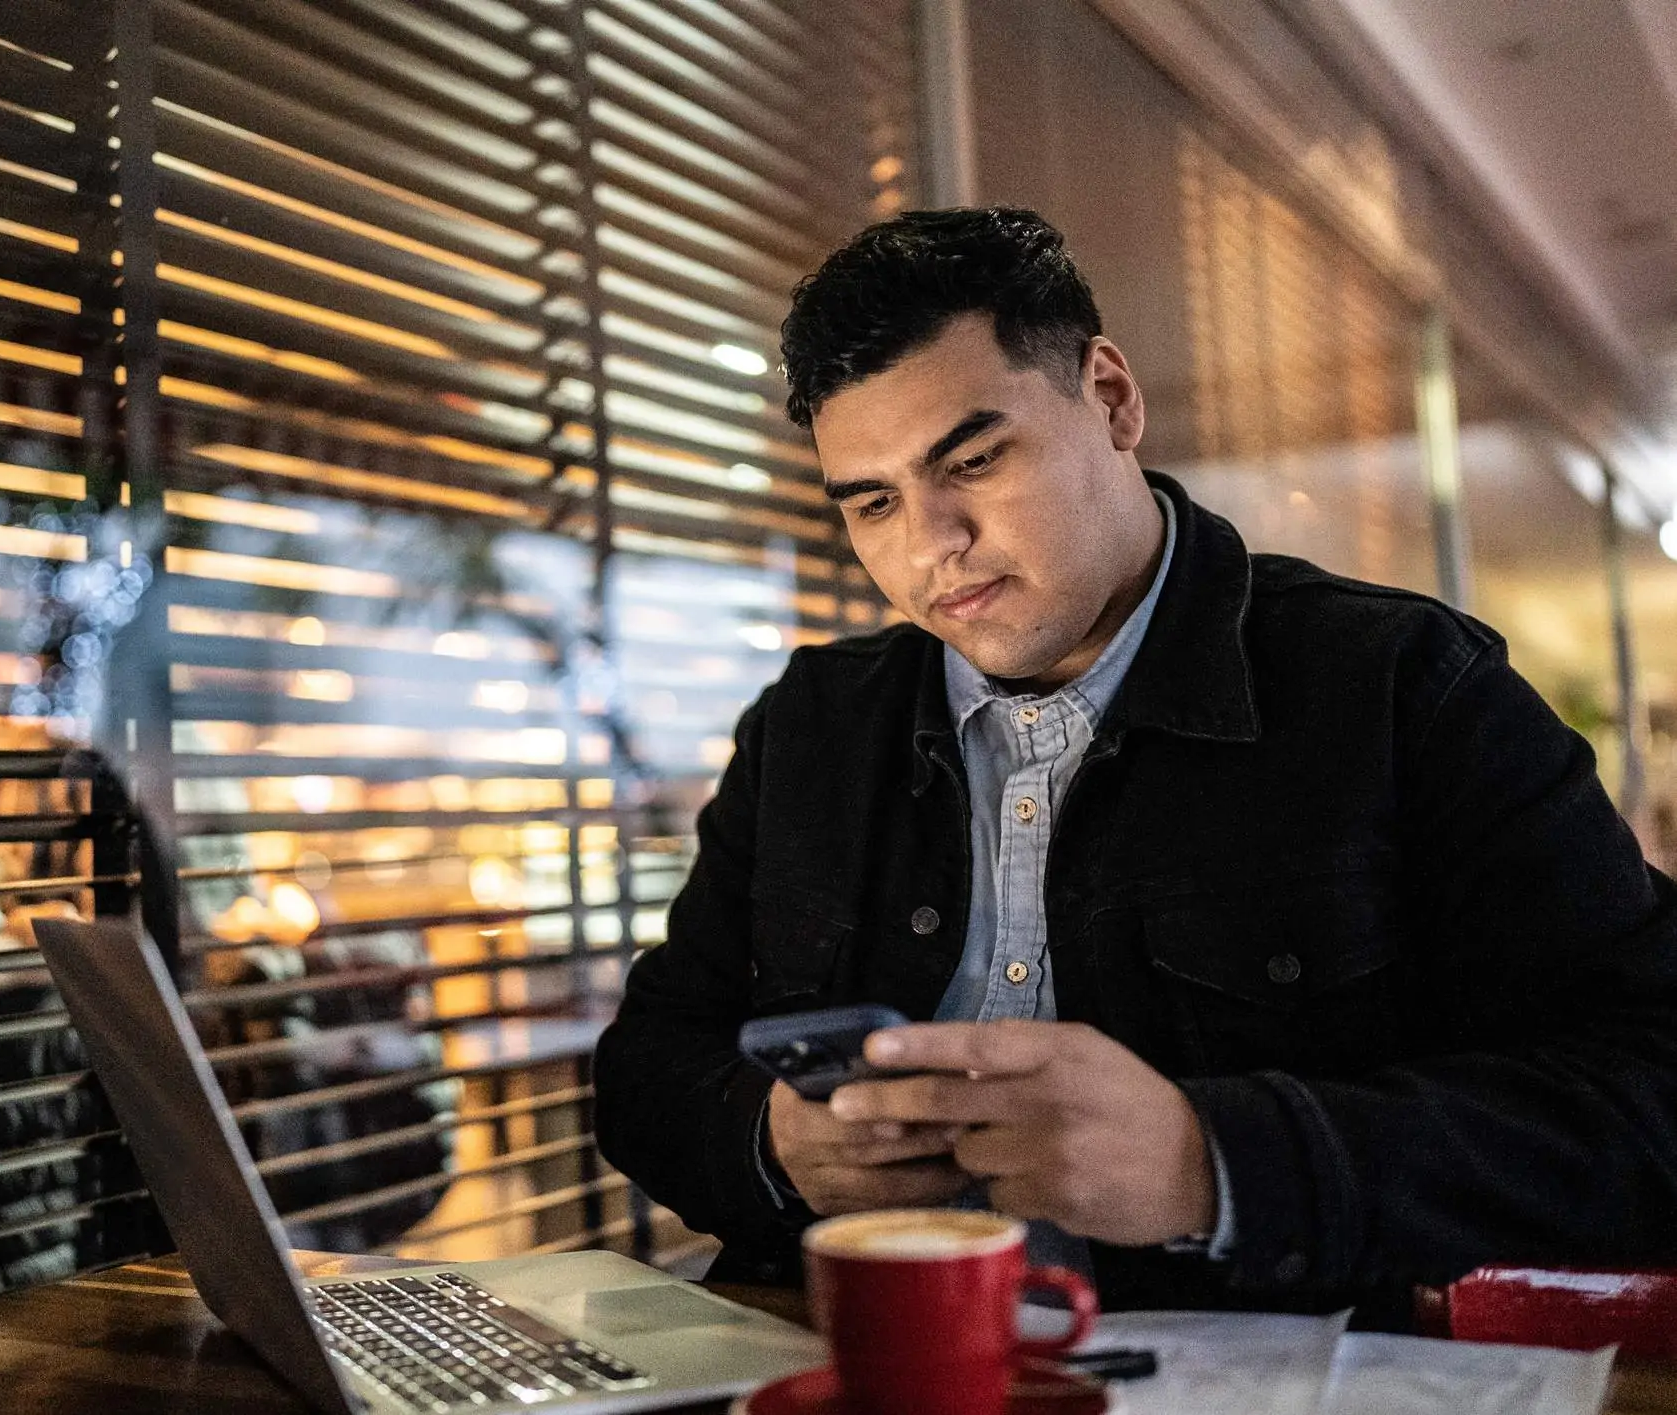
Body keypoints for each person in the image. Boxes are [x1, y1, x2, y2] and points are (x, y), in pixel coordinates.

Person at [592, 207, 1677, 1328]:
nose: (930, 542)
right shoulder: (811, 727)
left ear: (1109, 398)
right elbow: (644, 1071)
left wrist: (1213, 1161)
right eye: (872, 502)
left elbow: (1651, 1091)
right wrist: (774, 1141)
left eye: (972, 459)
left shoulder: (1402, 687)